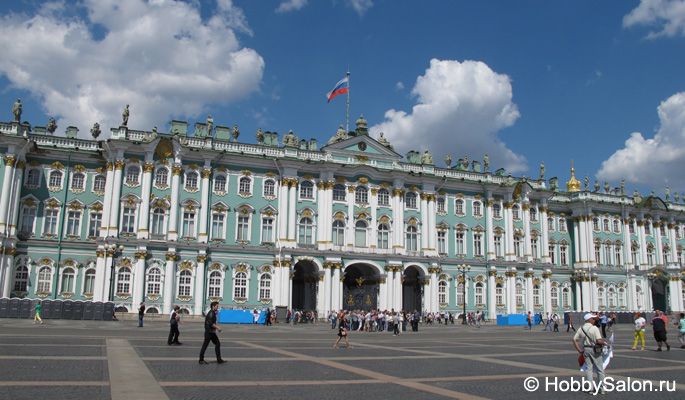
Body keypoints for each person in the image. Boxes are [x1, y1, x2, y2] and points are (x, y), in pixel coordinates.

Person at [573, 313, 610, 395]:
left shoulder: (581, 329)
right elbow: (599, 341)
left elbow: (574, 339)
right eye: (593, 319)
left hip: (586, 349)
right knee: (600, 369)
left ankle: (590, 389)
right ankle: (602, 389)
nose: (594, 320)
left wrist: (579, 350)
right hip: (595, 349)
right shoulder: (594, 328)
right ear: (588, 320)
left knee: (589, 369)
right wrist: (606, 344)